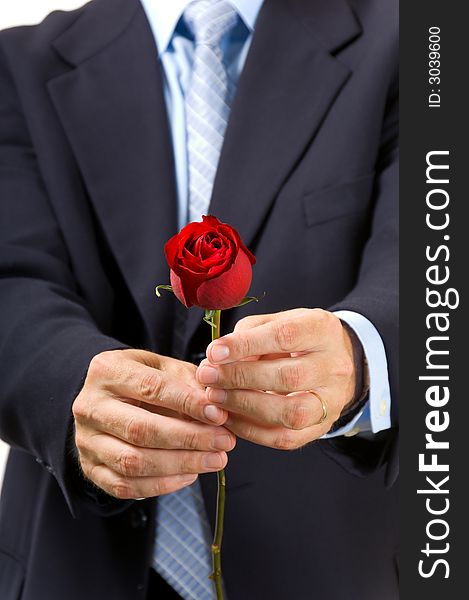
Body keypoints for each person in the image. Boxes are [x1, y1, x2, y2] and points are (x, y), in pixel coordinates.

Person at [0, 0, 398, 598]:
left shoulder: (419, 45)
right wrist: (67, 386)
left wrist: (361, 355)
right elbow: (10, 279)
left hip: (334, 562)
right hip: (74, 563)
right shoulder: (19, 64)